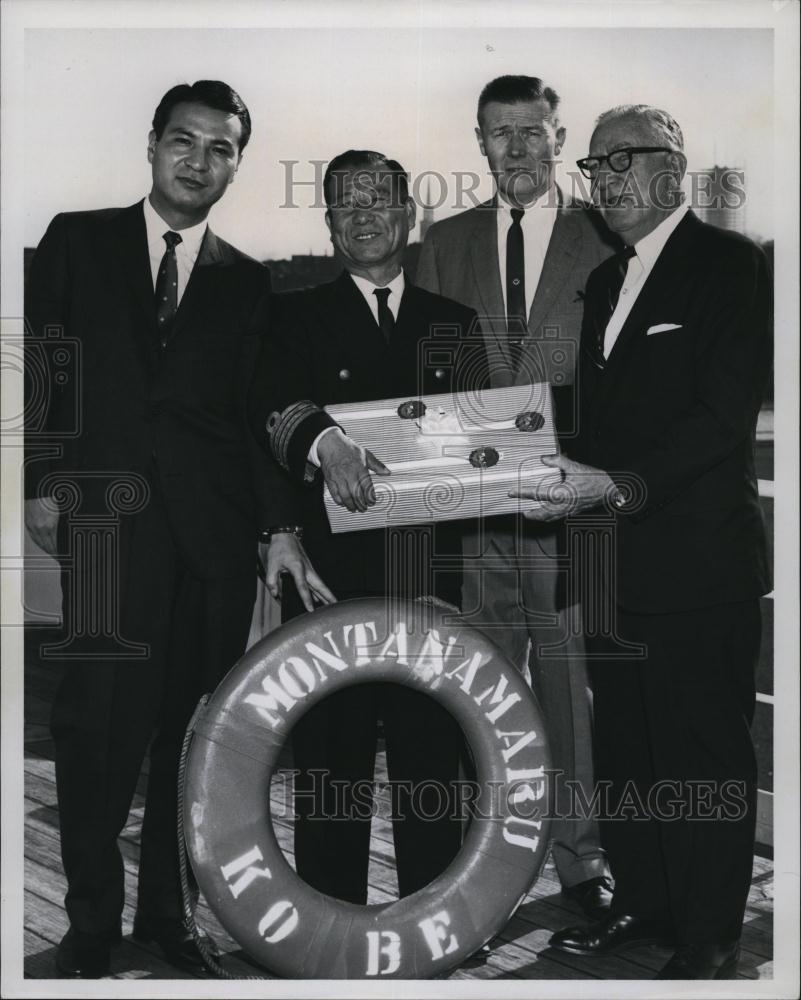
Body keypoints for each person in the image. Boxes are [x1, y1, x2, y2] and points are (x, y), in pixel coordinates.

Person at [24, 80, 305, 978]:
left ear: (236, 165)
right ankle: (91, 928)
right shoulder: (78, 240)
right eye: (184, 140)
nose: (199, 160)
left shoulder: (247, 281)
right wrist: (41, 483)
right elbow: (45, 368)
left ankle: (167, 920)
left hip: (213, 547)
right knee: (94, 731)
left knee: (192, 739)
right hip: (107, 531)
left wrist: (278, 527)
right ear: (151, 145)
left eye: (221, 148)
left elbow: (255, 418)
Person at [512, 104, 771, 979]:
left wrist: (615, 485)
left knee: (702, 756)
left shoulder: (730, 266)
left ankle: (709, 936)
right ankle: (648, 905)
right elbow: (595, 420)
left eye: (619, 159)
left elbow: (719, 418)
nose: (603, 179)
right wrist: (514, 458)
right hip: (609, 565)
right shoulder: (602, 282)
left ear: (673, 166)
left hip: (697, 569)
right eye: (593, 165)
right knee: (626, 748)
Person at [249, 149, 481, 904]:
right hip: (327, 578)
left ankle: (434, 919)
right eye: (346, 203)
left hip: (427, 575)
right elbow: (267, 415)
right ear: (328, 221)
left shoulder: (453, 324)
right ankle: (330, 920)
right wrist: (322, 446)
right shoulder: (291, 314)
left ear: (408, 215)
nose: (363, 215)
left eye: (379, 200)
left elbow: (479, 450)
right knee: (329, 759)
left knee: (430, 754)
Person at [416, 74, 617, 917]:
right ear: (480, 143)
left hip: (565, 509)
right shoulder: (443, 241)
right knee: (485, 696)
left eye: (532, 131)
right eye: (500, 133)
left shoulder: (605, 235)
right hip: (473, 517)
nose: (518, 148)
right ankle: (492, 871)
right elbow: (424, 377)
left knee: (569, 692)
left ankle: (580, 860)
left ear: (559, 140)